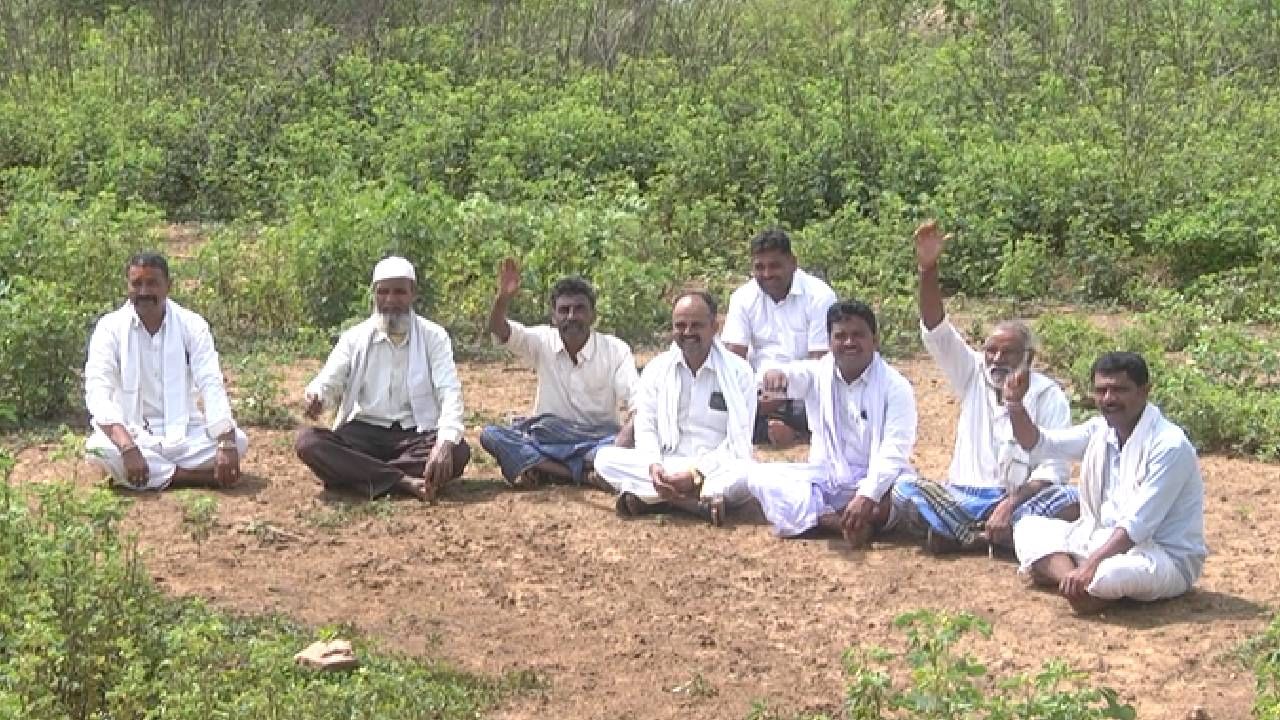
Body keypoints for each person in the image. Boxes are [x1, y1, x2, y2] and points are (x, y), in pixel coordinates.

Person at [893, 219, 1079, 553]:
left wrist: (1010, 503)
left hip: (1018, 496)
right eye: (991, 351)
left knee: (1070, 498)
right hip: (964, 494)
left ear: (1029, 356)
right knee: (904, 488)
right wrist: (928, 268)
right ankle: (984, 535)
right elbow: (936, 328)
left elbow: (1055, 468)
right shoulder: (971, 373)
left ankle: (962, 532)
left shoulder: (1048, 395)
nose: (995, 359)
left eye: (1007, 352)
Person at [1007, 351, 1207, 615]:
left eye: (1119, 390)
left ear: (1144, 391)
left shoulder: (1169, 445)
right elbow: (1038, 443)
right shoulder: (1100, 430)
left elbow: (1137, 525)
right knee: (1027, 527)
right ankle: (1076, 585)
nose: (1109, 399)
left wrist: (1091, 566)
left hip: (1159, 555)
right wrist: (1014, 404)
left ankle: (1077, 579)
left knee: (1111, 574)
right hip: (1098, 539)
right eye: (1101, 391)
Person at [295, 256, 470, 501]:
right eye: (383, 292)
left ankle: (359, 475)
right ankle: (403, 481)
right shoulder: (354, 338)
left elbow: (449, 391)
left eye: (399, 292)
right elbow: (329, 380)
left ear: (413, 294)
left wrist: (444, 444)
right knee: (308, 443)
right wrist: (317, 396)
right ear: (374, 294)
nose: (390, 300)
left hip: (414, 433)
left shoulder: (434, 337)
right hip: (363, 433)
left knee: (458, 451)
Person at [746, 301, 917, 547]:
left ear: (875, 340)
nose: (849, 343)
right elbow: (788, 374)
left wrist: (867, 495)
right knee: (759, 475)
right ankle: (837, 523)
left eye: (858, 335)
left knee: (909, 491)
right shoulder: (818, 374)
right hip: (829, 478)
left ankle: (855, 516)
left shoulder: (896, 386)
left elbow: (896, 450)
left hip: (878, 481)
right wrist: (773, 373)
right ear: (829, 342)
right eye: (841, 336)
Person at [84, 252, 247, 491]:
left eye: (152, 283)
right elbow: (97, 392)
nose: (143, 292)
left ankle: (152, 474)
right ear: (127, 286)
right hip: (131, 433)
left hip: (185, 433)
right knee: (99, 449)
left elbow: (210, 382)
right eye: (136, 284)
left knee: (239, 441)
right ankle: (194, 478)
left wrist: (225, 441)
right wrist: (127, 447)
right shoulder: (109, 328)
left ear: (168, 286)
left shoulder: (192, 325)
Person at [594, 291, 756, 525]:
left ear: (714, 326)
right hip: (668, 462)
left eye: (696, 325)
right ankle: (691, 504)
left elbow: (738, 441)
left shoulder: (740, 372)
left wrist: (695, 475)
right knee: (605, 459)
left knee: (748, 476)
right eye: (680, 325)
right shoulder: (657, 369)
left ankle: (654, 497)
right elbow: (646, 426)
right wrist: (654, 466)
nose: (688, 333)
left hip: (716, 468)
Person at [480, 258, 639, 487]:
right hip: (547, 438)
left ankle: (544, 468)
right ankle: (583, 475)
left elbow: (638, 402)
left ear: (593, 315)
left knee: (635, 442)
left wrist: (622, 443)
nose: (572, 317)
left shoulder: (615, 350)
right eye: (564, 310)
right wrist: (503, 297)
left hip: (597, 441)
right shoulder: (542, 341)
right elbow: (499, 329)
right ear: (554, 317)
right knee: (491, 435)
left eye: (579, 309)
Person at [722, 228, 838, 447]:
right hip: (757, 392)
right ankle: (780, 429)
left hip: (802, 391)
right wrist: (751, 396)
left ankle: (773, 429)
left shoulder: (820, 296)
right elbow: (732, 359)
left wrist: (785, 386)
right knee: (717, 406)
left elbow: (821, 363)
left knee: (831, 403)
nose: (767, 274)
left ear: (793, 263)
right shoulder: (743, 298)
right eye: (759, 267)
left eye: (774, 266)